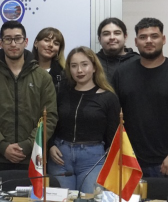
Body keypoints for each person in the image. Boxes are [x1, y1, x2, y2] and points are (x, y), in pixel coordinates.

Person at [112, 17, 168, 180]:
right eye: (143, 37)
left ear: (163, 39)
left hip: (167, 164)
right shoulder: (122, 73)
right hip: (130, 162)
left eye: (154, 36)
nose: (149, 41)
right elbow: (115, 116)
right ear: (136, 42)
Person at [0, 21, 58, 173]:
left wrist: (27, 146)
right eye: (8, 39)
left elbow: (49, 118)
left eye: (18, 38)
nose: (13, 43)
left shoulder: (42, 78)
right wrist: (3, 146)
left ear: (26, 42)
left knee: (33, 198)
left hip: (33, 158)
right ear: (0, 43)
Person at [47, 47, 120, 194]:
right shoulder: (62, 93)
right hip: (61, 157)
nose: (79, 70)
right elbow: (52, 122)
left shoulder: (108, 98)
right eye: (74, 66)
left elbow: (114, 135)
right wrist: (50, 145)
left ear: (94, 67)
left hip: (93, 159)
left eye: (84, 64)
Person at [32, 27, 67, 94]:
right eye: (46, 40)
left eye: (56, 43)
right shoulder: (25, 70)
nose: (51, 45)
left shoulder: (64, 74)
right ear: (36, 43)